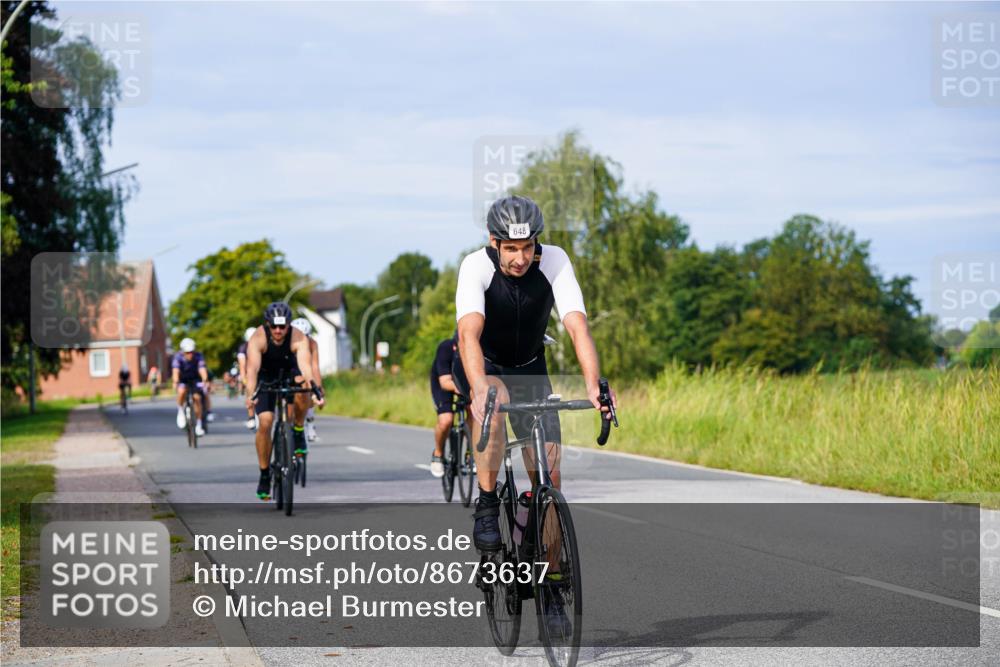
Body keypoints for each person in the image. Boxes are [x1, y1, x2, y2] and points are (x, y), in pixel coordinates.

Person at [454, 195, 616, 548]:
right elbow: (468, 334)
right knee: (495, 403)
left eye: (527, 247)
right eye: (510, 248)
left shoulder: (555, 259)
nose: (520, 258)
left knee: (551, 478)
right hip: (486, 362)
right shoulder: (475, 266)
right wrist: (479, 386)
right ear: (493, 241)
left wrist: (593, 385)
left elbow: (576, 326)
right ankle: (486, 503)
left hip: (529, 367)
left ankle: (555, 581)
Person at [244, 302, 322, 500]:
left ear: (289, 325)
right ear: (267, 324)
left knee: (302, 388)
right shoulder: (258, 338)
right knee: (266, 422)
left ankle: (297, 430)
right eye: (274, 327)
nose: (278, 331)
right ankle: (264, 474)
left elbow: (306, 366)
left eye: (283, 326)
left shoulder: (298, 337)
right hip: (265, 376)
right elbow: (252, 370)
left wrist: (314, 387)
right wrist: (251, 395)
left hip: (290, 371)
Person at [290, 317, 326, 442]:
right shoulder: (287, 342)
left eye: (305, 336)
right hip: (291, 370)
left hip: (305, 369)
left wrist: (318, 389)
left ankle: (310, 423)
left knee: (308, 388)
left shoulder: (312, 344)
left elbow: (314, 366)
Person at [428, 336, 459, 478]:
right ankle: (438, 453)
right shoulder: (446, 348)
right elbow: (445, 383)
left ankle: (470, 453)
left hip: (462, 382)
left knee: (474, 413)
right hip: (443, 383)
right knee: (446, 420)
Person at [171, 337, 209, 436]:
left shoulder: (198, 356)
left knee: (197, 398)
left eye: (191, 352)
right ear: (183, 352)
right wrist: (175, 381)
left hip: (195, 379)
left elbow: (202, 369)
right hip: (183, 379)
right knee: (181, 391)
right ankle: (180, 411)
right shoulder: (178, 357)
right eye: (187, 352)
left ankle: (199, 424)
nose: (190, 354)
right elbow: (176, 371)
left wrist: (205, 379)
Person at [238, 327, 256, 429]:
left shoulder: (263, 345)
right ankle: (251, 417)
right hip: (249, 372)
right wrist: (244, 378)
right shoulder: (243, 348)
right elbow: (242, 365)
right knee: (250, 394)